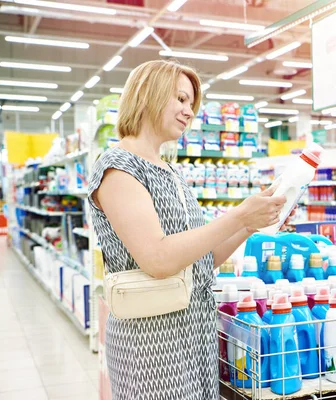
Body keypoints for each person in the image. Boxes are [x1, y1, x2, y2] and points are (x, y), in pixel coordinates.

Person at [88, 59, 291, 399]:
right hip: (151, 345)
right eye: (180, 99)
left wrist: (252, 225)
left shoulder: (171, 172)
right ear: (147, 94)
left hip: (194, 334)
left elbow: (200, 259)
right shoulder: (118, 169)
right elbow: (158, 259)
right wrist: (239, 215)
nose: (189, 112)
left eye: (191, 104)